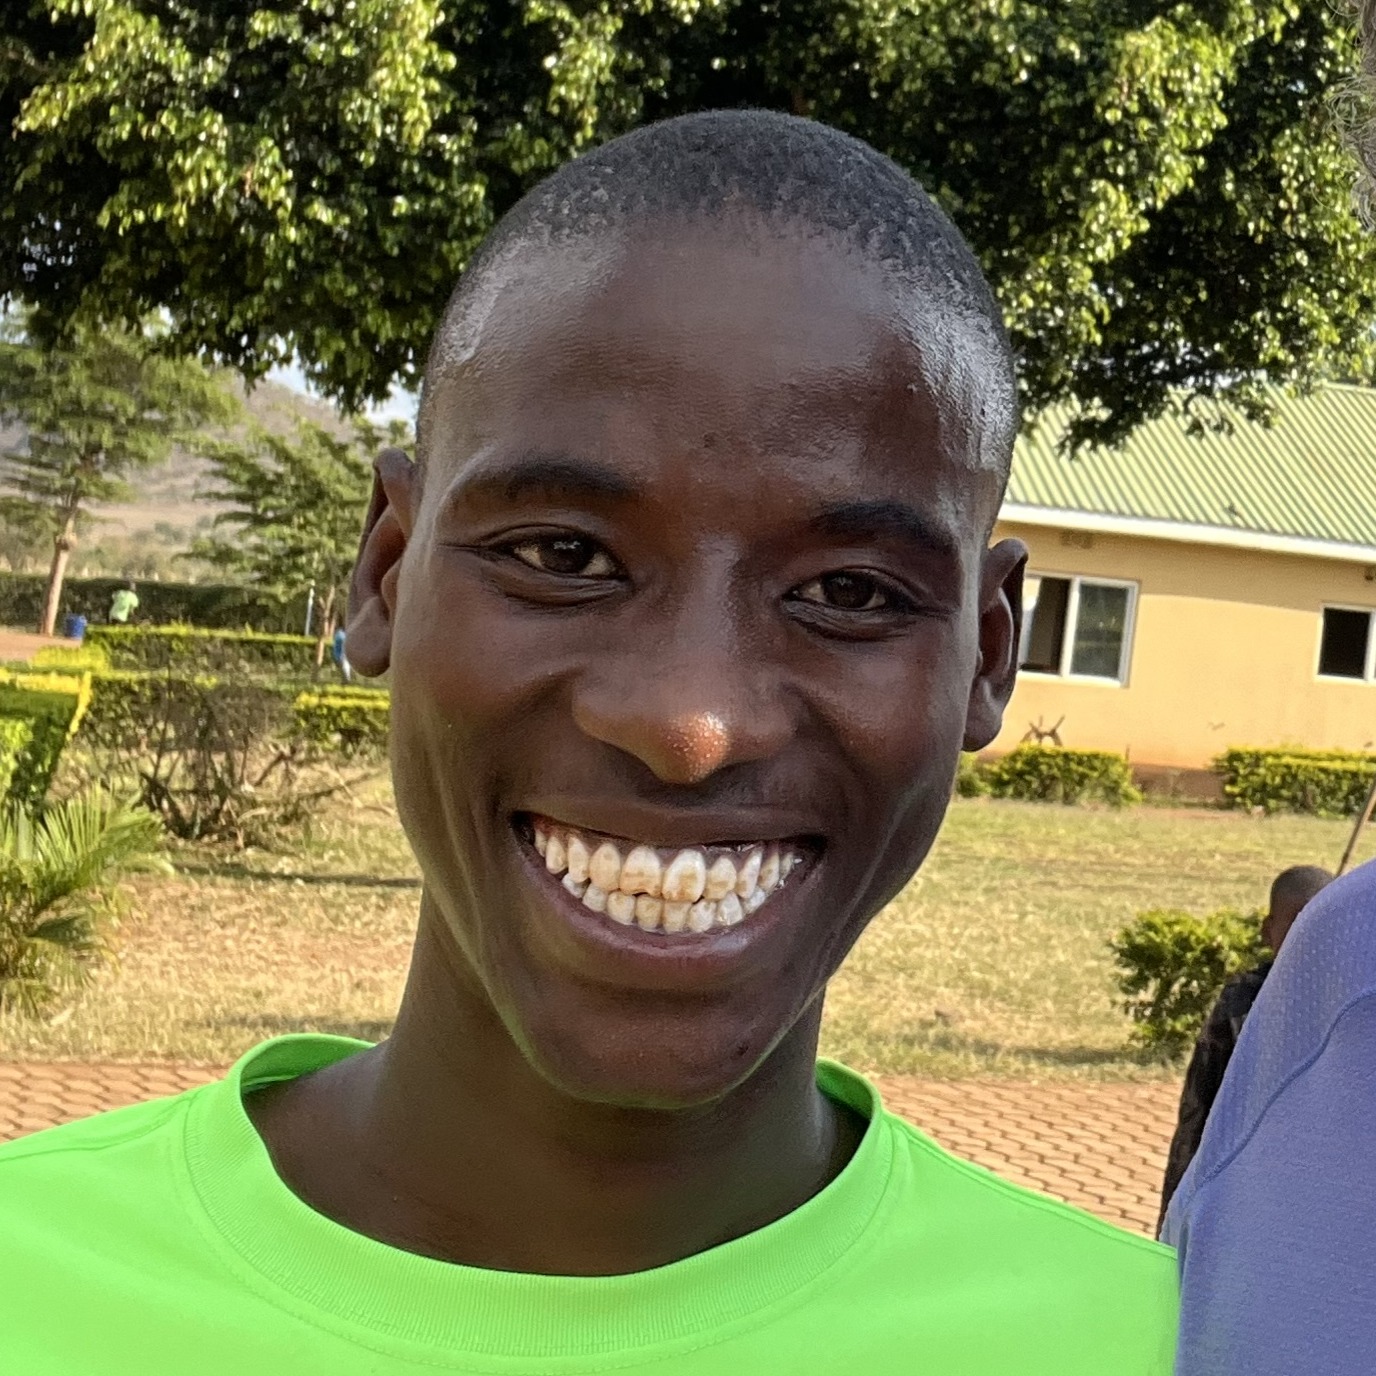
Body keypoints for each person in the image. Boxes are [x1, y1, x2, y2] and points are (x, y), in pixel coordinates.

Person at [0, 112, 1177, 1373]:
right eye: (561, 555)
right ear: (386, 572)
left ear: (987, 654)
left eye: (848, 592)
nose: (687, 723)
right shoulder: (31, 1273)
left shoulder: (1153, 1344)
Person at [1157, 864, 1332, 1226]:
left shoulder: (1352, 1005)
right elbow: (1199, 1108)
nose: (1309, 938)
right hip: (1246, 1190)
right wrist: (1173, 1217)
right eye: (1296, 924)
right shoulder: (1242, 1003)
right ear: (1268, 931)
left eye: (1322, 925)